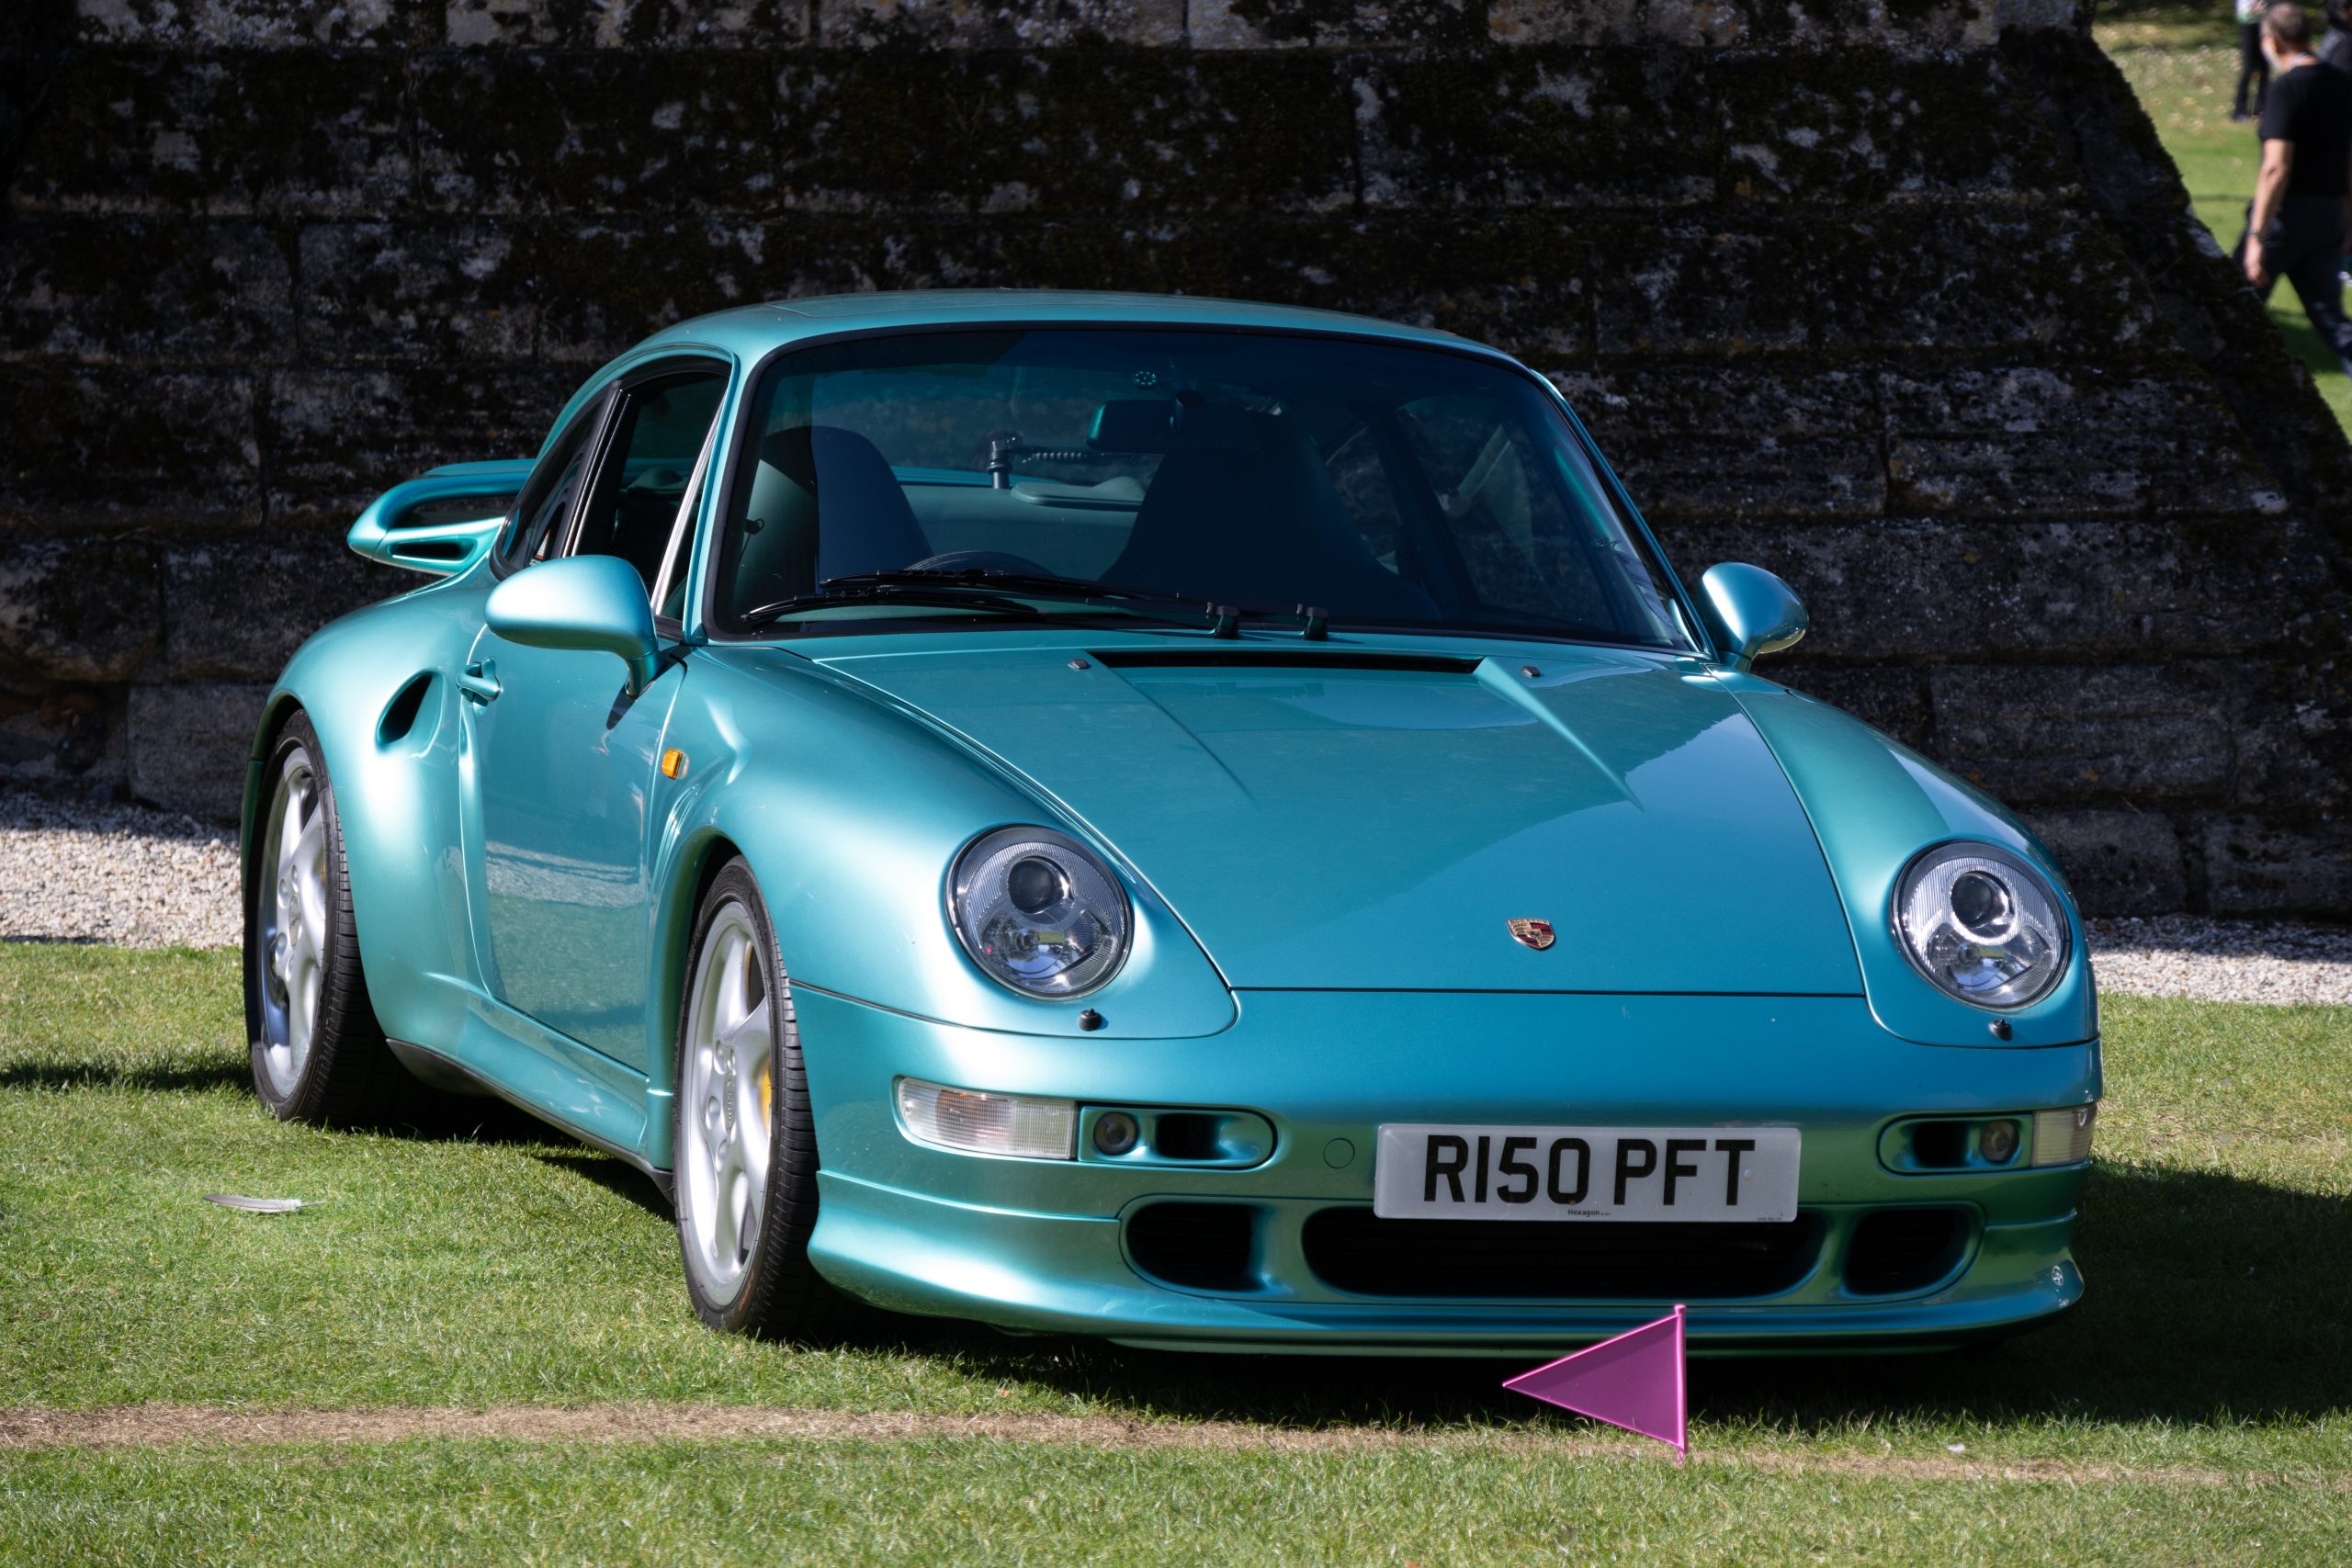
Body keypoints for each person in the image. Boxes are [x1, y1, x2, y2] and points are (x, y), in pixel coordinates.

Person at [2239, 6, 2352, 376]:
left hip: (2285, 219)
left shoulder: (2286, 88)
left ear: (2272, 39)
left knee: (2227, 312)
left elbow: (2277, 168)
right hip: (2328, 216)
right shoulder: (2341, 84)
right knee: (2335, 324)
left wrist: (2257, 236)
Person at [2240, 0, 2273, 120]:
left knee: (2265, 66)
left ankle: (2261, 108)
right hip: (2248, 20)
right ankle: (2239, 110)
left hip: (2264, 21)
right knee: (2249, 68)